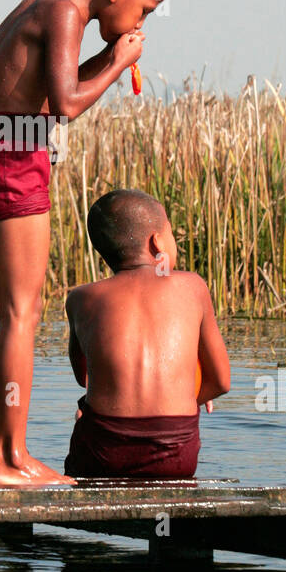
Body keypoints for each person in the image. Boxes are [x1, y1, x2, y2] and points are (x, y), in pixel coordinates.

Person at [0, 0, 172, 485]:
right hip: (14, 155)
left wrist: (110, 55)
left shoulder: (45, 3)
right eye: (146, 7)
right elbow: (65, 105)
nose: (146, 19)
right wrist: (119, 66)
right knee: (22, 312)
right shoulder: (68, 13)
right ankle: (13, 458)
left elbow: (52, 84)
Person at [64, 189, 231, 479]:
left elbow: (85, 379)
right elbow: (222, 382)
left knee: (85, 411)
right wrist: (186, 391)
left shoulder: (80, 299)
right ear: (157, 243)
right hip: (174, 460)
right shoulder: (193, 287)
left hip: (102, 456)